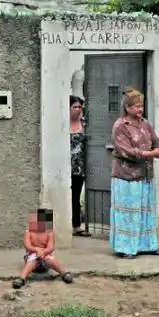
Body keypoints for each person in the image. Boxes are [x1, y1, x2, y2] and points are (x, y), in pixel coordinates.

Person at [110, 88, 159, 258]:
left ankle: (147, 245)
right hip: (126, 177)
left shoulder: (145, 123)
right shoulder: (120, 126)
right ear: (127, 108)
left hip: (144, 176)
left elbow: (156, 142)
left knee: (145, 212)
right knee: (128, 213)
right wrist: (151, 154)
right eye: (136, 106)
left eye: (141, 106)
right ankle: (126, 248)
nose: (140, 109)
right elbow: (127, 152)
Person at [14, 208, 74, 289]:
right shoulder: (28, 232)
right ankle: (21, 278)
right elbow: (27, 246)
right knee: (31, 261)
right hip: (32, 257)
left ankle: (64, 273)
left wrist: (43, 252)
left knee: (52, 261)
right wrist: (36, 250)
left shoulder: (49, 233)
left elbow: (51, 247)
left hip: (45, 258)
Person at [70, 95, 91, 237]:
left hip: (79, 166)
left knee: (76, 196)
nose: (77, 110)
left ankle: (76, 226)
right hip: (66, 165)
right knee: (68, 196)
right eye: (74, 107)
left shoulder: (84, 125)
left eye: (79, 107)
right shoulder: (63, 124)